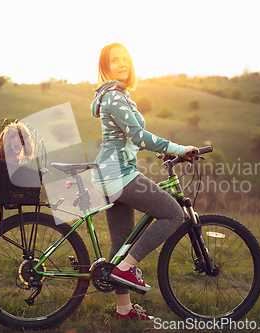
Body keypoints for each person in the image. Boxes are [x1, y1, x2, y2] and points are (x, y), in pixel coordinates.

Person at [90, 43, 197, 321]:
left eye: (125, 59)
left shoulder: (117, 95)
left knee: (121, 244)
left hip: (110, 173)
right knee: (173, 213)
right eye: (115, 61)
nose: (122, 64)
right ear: (106, 68)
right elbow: (137, 136)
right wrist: (177, 148)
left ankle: (123, 310)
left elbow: (127, 138)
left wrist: (164, 150)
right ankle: (127, 269)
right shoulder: (114, 96)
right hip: (118, 173)